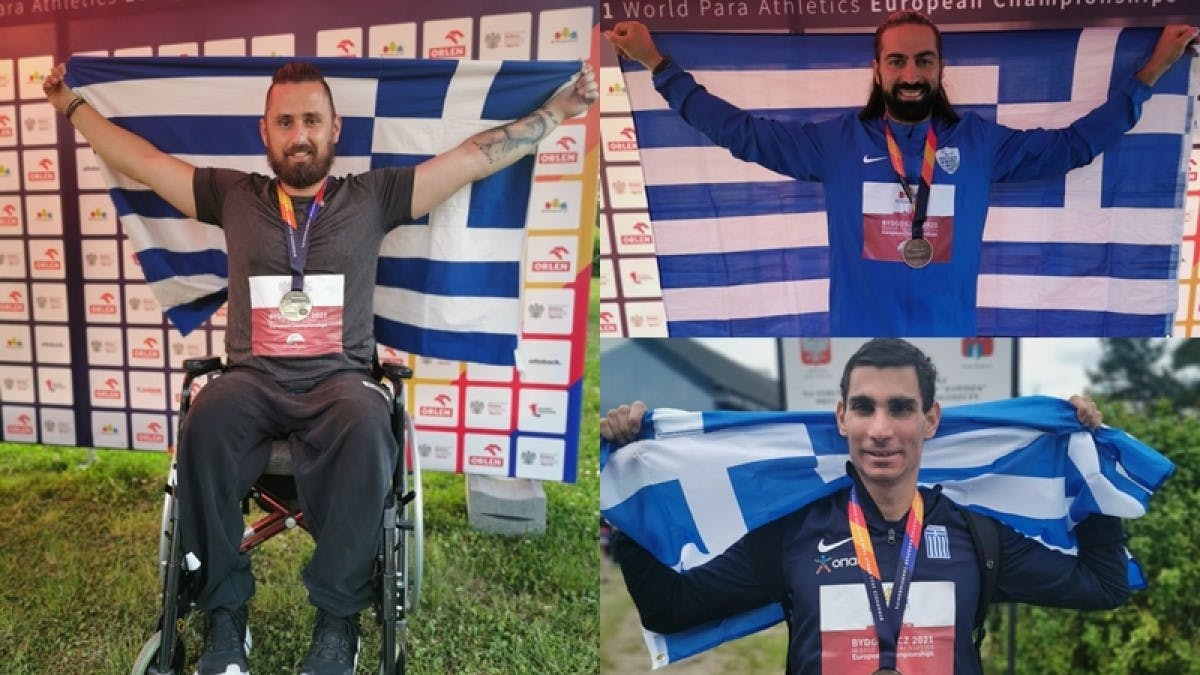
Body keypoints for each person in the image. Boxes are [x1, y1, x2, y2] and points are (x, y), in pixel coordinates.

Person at [43, 59, 596, 675]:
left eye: (311, 120)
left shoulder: (375, 196)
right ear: (265, 132)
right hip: (252, 379)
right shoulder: (234, 195)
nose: (299, 134)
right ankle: (225, 617)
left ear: (335, 129)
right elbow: (143, 162)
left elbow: (472, 158)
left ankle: (338, 622)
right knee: (205, 419)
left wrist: (558, 111)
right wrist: (71, 105)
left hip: (340, 382)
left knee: (368, 424)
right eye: (285, 122)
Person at [605, 15, 1200, 335]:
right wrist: (659, 65)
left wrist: (1150, 74)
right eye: (897, 60)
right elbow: (742, 133)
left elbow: (1073, 146)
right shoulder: (834, 143)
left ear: (940, 68)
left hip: (951, 341)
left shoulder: (980, 143)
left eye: (923, 60)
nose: (910, 73)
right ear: (877, 69)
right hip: (856, 342)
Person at [600, 338, 1126, 674]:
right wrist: (626, 492)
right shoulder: (794, 532)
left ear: (930, 420)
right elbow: (671, 608)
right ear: (842, 417)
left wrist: (1088, 464)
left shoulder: (976, 536)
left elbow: (1102, 586)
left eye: (900, 408)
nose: (880, 429)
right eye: (864, 407)